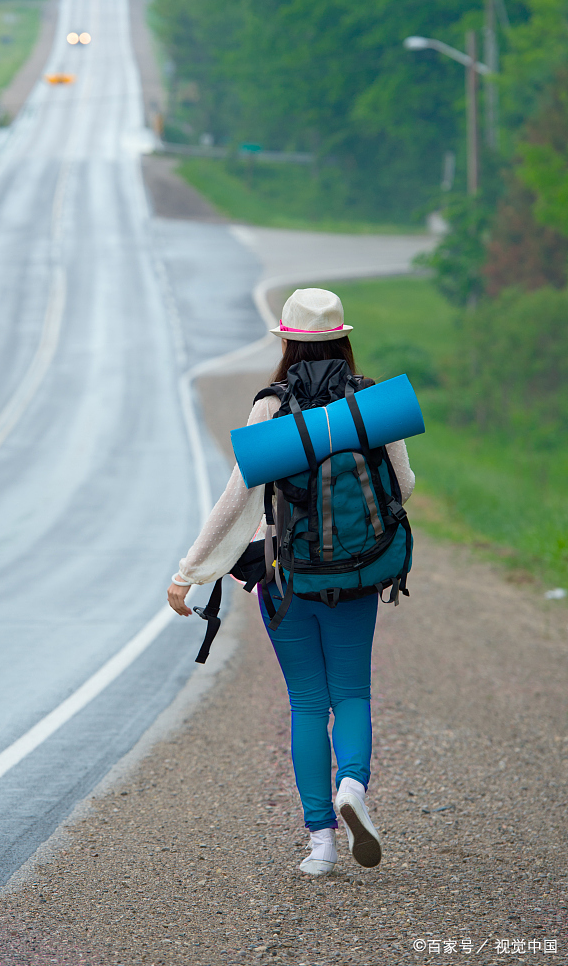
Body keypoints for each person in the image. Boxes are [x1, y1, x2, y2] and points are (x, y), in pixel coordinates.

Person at [167, 288, 415, 876]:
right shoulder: (371, 403)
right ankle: (352, 784)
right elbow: (402, 486)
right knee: (351, 693)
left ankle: (320, 844)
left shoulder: (271, 408)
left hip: (288, 578)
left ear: (286, 342)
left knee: (307, 703)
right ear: (343, 338)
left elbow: (237, 499)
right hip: (357, 573)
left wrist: (190, 572)